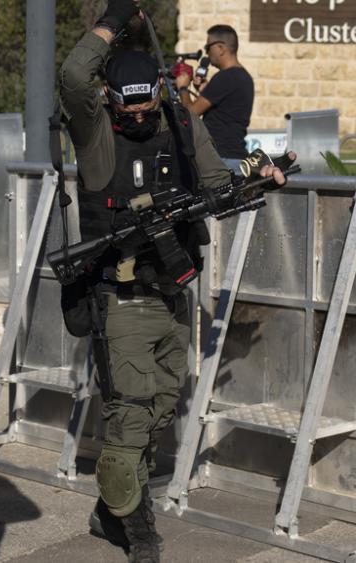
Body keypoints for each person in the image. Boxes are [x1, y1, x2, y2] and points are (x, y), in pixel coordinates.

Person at [60, 1, 288, 562]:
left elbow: (217, 184)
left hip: (172, 292)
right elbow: (71, 74)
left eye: (147, 106)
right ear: (110, 101)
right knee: (130, 414)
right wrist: (115, 19)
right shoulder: (96, 135)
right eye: (127, 108)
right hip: (121, 294)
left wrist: (256, 183)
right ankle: (135, 528)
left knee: (162, 406)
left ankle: (109, 508)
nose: (139, 118)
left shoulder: (182, 123)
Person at [176, 24, 255, 170]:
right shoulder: (243, 77)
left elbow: (191, 114)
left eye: (208, 48)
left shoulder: (225, 77)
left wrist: (183, 88)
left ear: (221, 48)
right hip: (235, 157)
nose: (207, 53)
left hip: (221, 158)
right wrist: (203, 91)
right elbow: (224, 110)